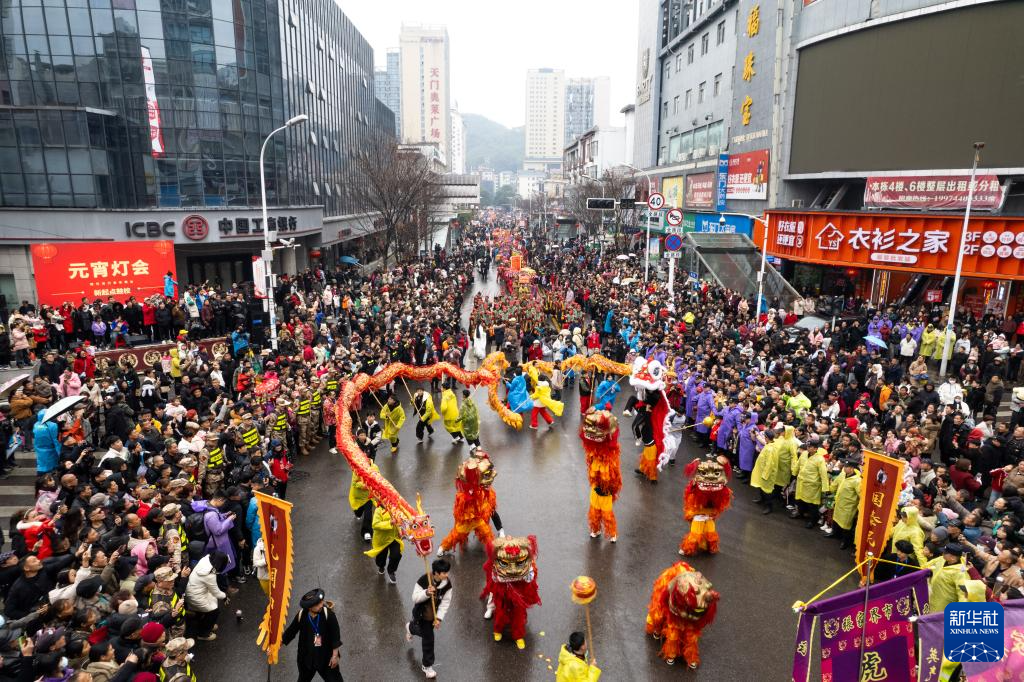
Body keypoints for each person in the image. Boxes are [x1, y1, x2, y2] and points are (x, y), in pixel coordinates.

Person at [282, 588, 344, 682]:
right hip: (306, 659)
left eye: (321, 602)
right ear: (310, 607)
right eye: (317, 604)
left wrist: (335, 656)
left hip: (326, 659)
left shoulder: (328, 614)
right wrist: (275, 646)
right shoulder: (301, 615)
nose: (321, 605)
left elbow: (336, 636)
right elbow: (290, 632)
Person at [406, 559, 452, 680]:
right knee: (429, 639)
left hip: (433, 617)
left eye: (447, 572)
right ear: (436, 573)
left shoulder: (447, 584)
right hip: (422, 615)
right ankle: (427, 666)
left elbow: (445, 602)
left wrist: (439, 618)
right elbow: (415, 598)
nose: (447, 575)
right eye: (444, 573)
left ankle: (410, 628)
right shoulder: (423, 580)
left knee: (424, 634)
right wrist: (426, 593)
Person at [364, 505, 402, 584]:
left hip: (394, 538)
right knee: (381, 558)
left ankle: (391, 571)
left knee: (396, 555)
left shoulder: (396, 508)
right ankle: (381, 566)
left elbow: (401, 521)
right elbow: (375, 524)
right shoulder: (378, 510)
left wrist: (401, 530)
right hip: (382, 540)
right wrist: (389, 522)